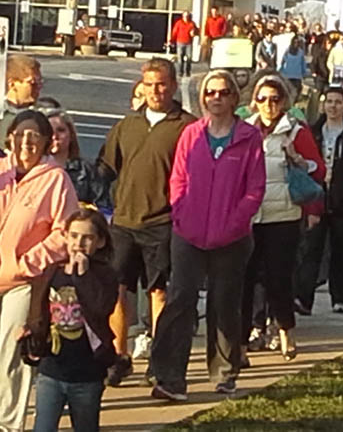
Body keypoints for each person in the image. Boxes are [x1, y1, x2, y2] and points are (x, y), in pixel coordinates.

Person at [150, 70, 266, 400]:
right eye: (211, 93)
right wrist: (182, 213)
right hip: (188, 233)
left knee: (225, 302)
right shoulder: (191, 134)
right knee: (180, 299)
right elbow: (179, 179)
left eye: (224, 92)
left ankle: (225, 371)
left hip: (232, 237)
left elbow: (254, 188)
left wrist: (234, 222)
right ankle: (170, 376)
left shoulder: (248, 137)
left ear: (234, 98)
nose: (217, 98)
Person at [98, 58, 196, 386]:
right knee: (117, 289)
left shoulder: (187, 126)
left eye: (162, 84)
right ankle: (119, 356)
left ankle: (159, 359)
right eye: (150, 84)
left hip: (165, 221)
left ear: (173, 85)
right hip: (124, 221)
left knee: (159, 292)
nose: (155, 91)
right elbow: (105, 169)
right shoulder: (127, 125)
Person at [0, 111, 78, 431]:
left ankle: (8, 424)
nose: (27, 143)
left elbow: (66, 232)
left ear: (47, 143)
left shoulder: (56, 179)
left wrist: (28, 262)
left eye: (35, 137)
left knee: (9, 357)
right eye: (21, 135)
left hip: (23, 281)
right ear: (10, 138)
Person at [242, 74, 325, 362]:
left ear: (284, 103)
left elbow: (319, 170)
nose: (268, 105)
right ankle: (244, 340)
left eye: (275, 99)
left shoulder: (296, 131)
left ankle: (285, 329)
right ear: (255, 100)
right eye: (263, 99)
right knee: (246, 279)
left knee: (279, 278)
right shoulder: (245, 130)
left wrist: (300, 161)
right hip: (250, 216)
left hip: (284, 215)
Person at [25, 209, 118, 432]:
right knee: (43, 428)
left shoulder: (105, 276)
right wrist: (31, 333)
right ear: (65, 236)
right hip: (51, 370)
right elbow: (39, 308)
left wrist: (83, 276)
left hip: (87, 374)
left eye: (87, 237)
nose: (79, 243)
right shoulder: (52, 272)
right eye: (74, 235)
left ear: (101, 242)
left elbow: (101, 308)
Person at [295, 87, 343, 314]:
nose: (333, 106)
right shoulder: (313, 131)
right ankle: (303, 298)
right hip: (316, 198)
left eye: (338, 102)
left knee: (340, 249)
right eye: (329, 102)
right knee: (312, 249)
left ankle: (339, 297)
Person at [47, 110, 111, 211]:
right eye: (50, 131)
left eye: (61, 130)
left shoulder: (87, 170)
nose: (55, 136)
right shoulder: (34, 168)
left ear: (71, 135)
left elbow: (103, 207)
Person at [0, 55, 43, 144]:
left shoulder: (43, 115)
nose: (39, 87)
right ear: (12, 84)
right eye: (33, 83)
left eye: (40, 82)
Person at [170, 11, 197, 78]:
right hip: (180, 42)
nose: (186, 17)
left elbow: (196, 31)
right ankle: (180, 72)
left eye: (187, 16)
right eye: (185, 16)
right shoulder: (179, 23)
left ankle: (188, 72)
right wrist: (172, 40)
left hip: (189, 43)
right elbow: (174, 32)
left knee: (189, 58)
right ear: (182, 16)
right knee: (180, 58)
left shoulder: (192, 23)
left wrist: (194, 33)